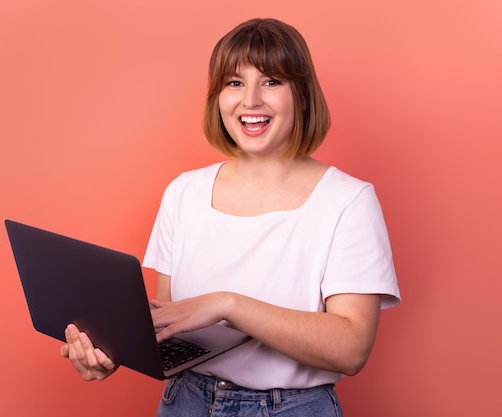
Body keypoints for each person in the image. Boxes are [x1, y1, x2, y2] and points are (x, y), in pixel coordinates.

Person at [60, 17, 401, 416]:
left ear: (303, 96)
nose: (250, 101)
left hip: (292, 408)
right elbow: (170, 323)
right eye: (234, 83)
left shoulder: (348, 200)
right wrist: (110, 350)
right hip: (184, 401)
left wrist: (227, 305)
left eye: (272, 81)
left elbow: (351, 349)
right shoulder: (184, 193)